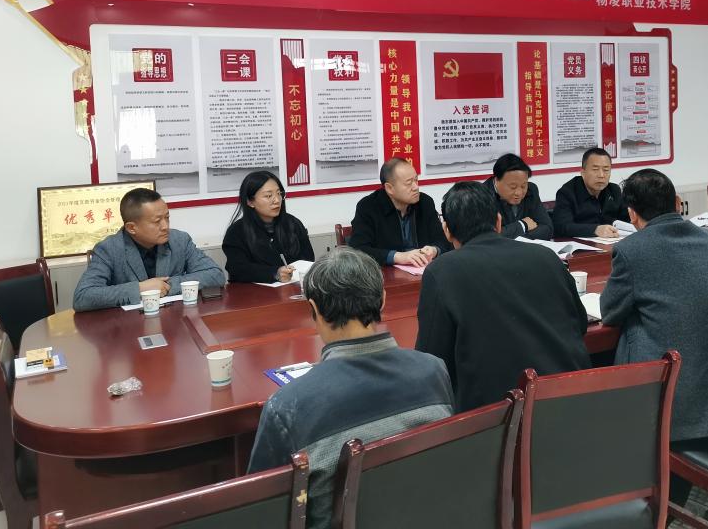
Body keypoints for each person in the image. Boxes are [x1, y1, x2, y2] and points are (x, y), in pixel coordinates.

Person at [247, 247, 453, 529]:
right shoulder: (434, 369)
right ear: (382, 300)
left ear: (314, 309)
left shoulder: (288, 406)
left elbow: (260, 511)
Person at [415, 181, 590, 411]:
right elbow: (580, 323)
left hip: (499, 414)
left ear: (446, 230)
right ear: (498, 222)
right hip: (573, 398)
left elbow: (431, 359)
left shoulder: (441, 271)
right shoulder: (546, 256)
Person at [601, 169, 708, 442]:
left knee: (631, 327)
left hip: (679, 406)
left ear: (632, 214)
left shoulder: (631, 249)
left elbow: (610, 312)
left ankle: (628, 430)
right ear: (677, 203)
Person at [73, 188, 225, 311]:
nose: (165, 226)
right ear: (131, 228)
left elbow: (215, 275)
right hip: (127, 328)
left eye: (167, 218)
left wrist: (168, 286)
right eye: (157, 221)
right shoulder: (109, 249)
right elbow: (83, 297)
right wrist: (140, 289)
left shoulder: (179, 240)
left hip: (174, 323)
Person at [349, 158, 450, 268]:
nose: (416, 187)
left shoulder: (425, 202)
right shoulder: (368, 207)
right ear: (389, 188)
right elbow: (358, 249)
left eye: (416, 180)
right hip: (385, 274)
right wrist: (398, 257)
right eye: (409, 183)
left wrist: (434, 250)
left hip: (423, 271)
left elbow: (443, 240)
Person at [222, 171, 315, 283]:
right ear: (250, 202)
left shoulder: (293, 224)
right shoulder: (236, 232)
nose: (277, 200)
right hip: (254, 292)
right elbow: (237, 269)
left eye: (279, 194)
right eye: (268, 196)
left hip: (294, 288)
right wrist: (275, 273)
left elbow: (308, 260)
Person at [552, 147, 630, 238]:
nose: (601, 175)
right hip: (580, 245)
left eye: (606, 170)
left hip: (612, 243)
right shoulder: (567, 193)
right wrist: (595, 230)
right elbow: (561, 227)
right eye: (595, 169)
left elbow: (628, 219)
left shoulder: (614, 190)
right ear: (583, 172)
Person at [483, 153, 553, 240]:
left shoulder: (531, 190)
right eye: (513, 187)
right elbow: (487, 237)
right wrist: (523, 225)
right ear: (497, 180)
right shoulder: (481, 196)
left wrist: (520, 239)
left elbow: (547, 228)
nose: (519, 193)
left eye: (523, 186)